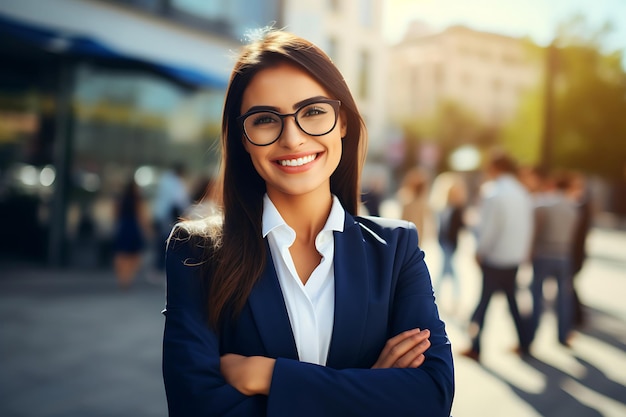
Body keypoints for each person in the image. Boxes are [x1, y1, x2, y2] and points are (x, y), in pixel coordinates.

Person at [161, 29, 454, 417]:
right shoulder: (197, 252)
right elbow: (196, 407)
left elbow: (431, 396)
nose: (293, 138)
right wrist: (370, 391)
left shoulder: (397, 248)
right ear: (243, 138)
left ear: (344, 122)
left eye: (313, 111)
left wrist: (271, 376)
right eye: (265, 119)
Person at [461, 150, 534, 361]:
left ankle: (475, 347)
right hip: (513, 257)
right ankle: (524, 343)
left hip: (495, 257)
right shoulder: (522, 192)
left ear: (495, 168)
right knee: (511, 301)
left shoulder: (493, 192)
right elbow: (527, 227)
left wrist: (479, 251)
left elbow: (489, 229)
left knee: (483, 303)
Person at [528, 172, 579, 347]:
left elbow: (534, 227)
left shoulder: (544, 204)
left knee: (537, 297)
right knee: (564, 298)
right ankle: (563, 335)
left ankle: (530, 336)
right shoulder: (573, 207)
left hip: (544, 253)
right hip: (564, 255)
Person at [151, 163, 190, 278]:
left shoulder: (165, 179)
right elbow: (179, 200)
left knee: (161, 241)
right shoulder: (175, 182)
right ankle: (161, 267)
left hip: (160, 213)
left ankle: (158, 267)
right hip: (168, 216)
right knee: (167, 242)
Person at [433, 175, 467, 307]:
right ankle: (450, 297)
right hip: (443, 242)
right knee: (448, 271)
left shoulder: (458, 209)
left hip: (452, 244)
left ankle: (448, 297)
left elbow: (461, 227)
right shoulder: (443, 206)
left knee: (447, 271)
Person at [112, 178, 151, 289]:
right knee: (134, 255)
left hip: (123, 226)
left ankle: (122, 278)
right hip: (133, 227)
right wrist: (147, 230)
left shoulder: (121, 199)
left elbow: (116, 213)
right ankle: (127, 278)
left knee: (121, 253)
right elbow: (141, 216)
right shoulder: (137, 200)